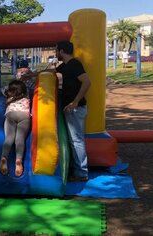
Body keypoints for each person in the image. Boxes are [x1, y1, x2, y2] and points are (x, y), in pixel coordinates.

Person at [51, 41, 91, 182]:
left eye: (56, 51)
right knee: (74, 141)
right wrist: (30, 75)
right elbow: (51, 72)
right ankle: (78, 170)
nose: (56, 53)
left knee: (76, 141)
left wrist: (75, 102)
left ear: (61, 51)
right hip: (70, 108)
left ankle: (81, 173)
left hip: (76, 108)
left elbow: (87, 82)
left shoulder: (74, 64)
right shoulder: (65, 66)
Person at [0, 80, 31, 177]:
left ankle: (4, 157)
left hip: (11, 114)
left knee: (9, 137)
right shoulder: (26, 95)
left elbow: (2, 89)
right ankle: (18, 160)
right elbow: (29, 86)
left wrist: (9, 89)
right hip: (24, 115)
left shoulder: (9, 97)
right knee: (20, 139)